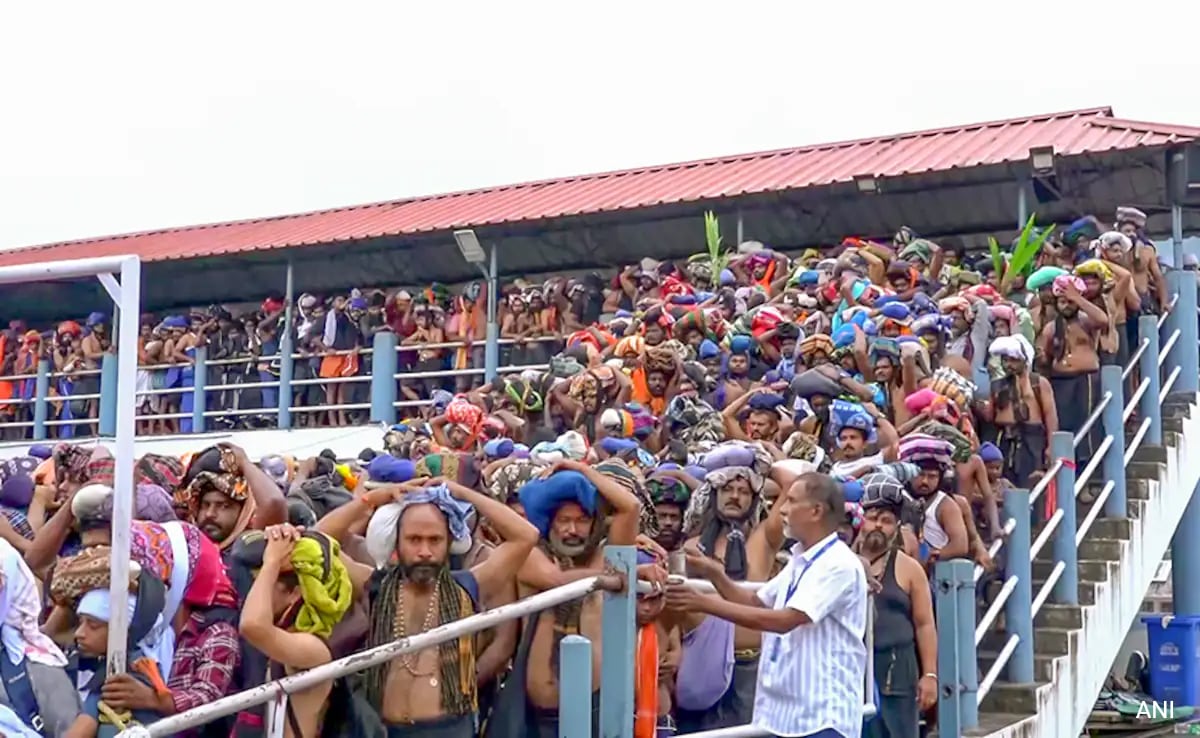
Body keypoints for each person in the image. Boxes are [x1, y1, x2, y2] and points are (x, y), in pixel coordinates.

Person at [666, 472, 867, 738]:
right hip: (786, 715)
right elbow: (754, 600)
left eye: (792, 501)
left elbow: (782, 620)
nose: (782, 509)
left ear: (816, 511)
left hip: (821, 717)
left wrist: (702, 603)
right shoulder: (800, 559)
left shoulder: (837, 564)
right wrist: (714, 574)